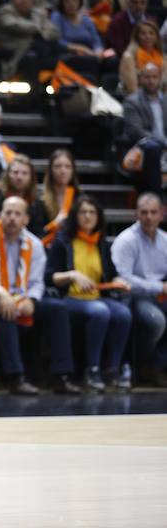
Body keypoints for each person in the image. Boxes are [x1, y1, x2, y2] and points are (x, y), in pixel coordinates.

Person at [0, 196, 80, 395]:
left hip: (22, 296)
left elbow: (37, 282)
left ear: (26, 219)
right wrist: (2, 293)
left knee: (59, 309)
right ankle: (14, 377)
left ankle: (61, 376)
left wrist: (32, 300)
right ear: (0, 214)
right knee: (7, 310)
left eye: (17, 214)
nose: (11, 218)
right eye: (7, 212)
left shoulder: (34, 244)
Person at [45, 195, 133, 392]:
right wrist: (72, 275)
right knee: (100, 311)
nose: (87, 216)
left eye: (92, 212)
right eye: (83, 212)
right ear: (75, 216)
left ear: (98, 217)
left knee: (123, 313)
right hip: (68, 298)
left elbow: (110, 274)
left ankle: (112, 368)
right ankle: (92, 369)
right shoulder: (62, 241)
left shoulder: (100, 242)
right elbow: (49, 277)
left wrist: (118, 281)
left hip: (96, 297)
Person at [111, 192, 167, 386]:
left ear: (162, 213)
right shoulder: (126, 240)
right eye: (144, 212)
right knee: (155, 321)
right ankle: (144, 366)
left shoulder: (165, 240)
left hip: (160, 296)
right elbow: (123, 279)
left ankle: (156, 365)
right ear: (136, 214)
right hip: (133, 297)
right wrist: (159, 286)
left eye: (153, 212)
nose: (149, 217)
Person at [0, 0, 61, 79]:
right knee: (33, 55)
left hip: (39, 52)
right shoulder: (4, 11)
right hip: (16, 54)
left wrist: (40, 33)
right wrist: (39, 29)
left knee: (56, 50)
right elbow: (16, 26)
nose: (24, 0)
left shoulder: (37, 13)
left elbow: (54, 31)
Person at [0, 153, 48, 236]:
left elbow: (39, 233)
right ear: (7, 174)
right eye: (15, 172)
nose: (19, 177)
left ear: (31, 177)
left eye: (25, 173)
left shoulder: (36, 202)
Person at [122, 62, 167, 193]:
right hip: (144, 148)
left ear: (160, 78)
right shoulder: (132, 101)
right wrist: (163, 143)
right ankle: (156, 198)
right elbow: (136, 131)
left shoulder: (165, 101)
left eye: (154, 77)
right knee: (153, 147)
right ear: (141, 79)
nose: (151, 81)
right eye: (147, 77)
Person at [40, 149, 81, 247]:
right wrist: (55, 224)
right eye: (58, 166)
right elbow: (37, 232)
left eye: (67, 167)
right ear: (50, 170)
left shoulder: (80, 198)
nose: (63, 171)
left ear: (73, 170)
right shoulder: (40, 200)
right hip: (48, 246)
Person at [119, 20, 165, 93]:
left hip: (158, 99)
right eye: (143, 33)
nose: (147, 36)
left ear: (156, 37)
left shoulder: (162, 57)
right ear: (137, 37)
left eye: (151, 33)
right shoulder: (128, 57)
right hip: (136, 99)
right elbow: (132, 89)